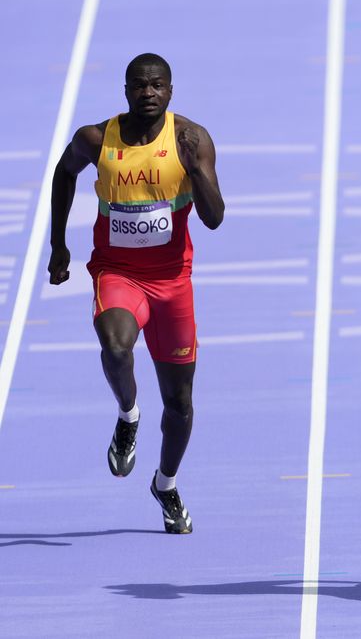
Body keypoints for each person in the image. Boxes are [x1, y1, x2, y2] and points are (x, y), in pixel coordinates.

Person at [47, 53, 224, 534]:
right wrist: (58, 245)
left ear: (170, 91)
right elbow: (64, 175)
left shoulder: (191, 138)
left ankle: (165, 485)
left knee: (181, 405)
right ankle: (128, 415)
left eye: (157, 85)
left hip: (172, 283)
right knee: (116, 344)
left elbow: (213, 217)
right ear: (126, 91)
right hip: (118, 272)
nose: (148, 93)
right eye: (139, 85)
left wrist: (197, 169)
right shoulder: (95, 139)